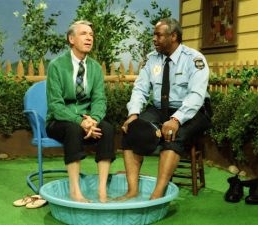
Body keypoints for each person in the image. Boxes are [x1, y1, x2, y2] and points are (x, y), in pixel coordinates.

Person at [120, 18, 212, 200]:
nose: (154, 39)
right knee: (131, 130)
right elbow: (140, 89)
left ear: (173, 36)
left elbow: (196, 95)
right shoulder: (152, 59)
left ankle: (157, 195)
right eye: (154, 34)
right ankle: (132, 191)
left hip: (193, 111)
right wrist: (133, 115)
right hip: (160, 108)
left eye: (159, 35)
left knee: (172, 135)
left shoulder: (194, 59)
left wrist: (176, 120)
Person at [45, 20, 115, 203]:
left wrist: (94, 119)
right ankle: (75, 191)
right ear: (71, 39)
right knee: (73, 129)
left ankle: (102, 191)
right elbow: (55, 105)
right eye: (84, 34)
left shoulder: (95, 68)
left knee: (107, 129)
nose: (89, 38)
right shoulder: (56, 66)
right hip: (59, 121)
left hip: (87, 120)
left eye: (91, 34)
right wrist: (80, 121)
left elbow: (100, 99)